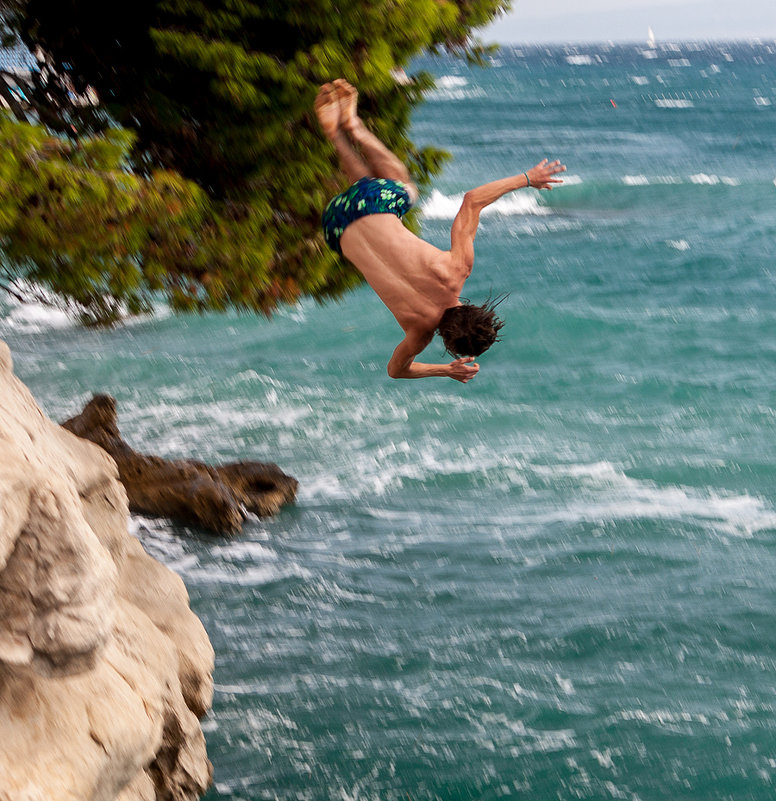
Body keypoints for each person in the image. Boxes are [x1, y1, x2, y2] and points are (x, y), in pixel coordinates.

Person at [316, 79, 565, 383]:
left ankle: (353, 127)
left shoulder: (455, 271)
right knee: (364, 193)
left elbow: (472, 201)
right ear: (447, 342)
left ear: (474, 307)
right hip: (335, 227)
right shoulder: (417, 334)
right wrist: (445, 370)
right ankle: (335, 136)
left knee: (402, 185)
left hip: (371, 201)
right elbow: (395, 371)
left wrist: (527, 178)